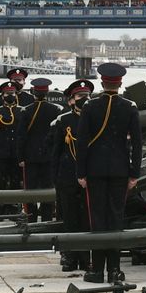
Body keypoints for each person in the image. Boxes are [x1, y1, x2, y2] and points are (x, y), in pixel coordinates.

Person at [75, 62, 140, 283]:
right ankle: (114, 269)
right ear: (120, 83)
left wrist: (81, 172)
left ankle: (96, 270)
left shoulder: (89, 107)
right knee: (115, 219)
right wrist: (134, 174)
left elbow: (82, 142)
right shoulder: (129, 107)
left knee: (98, 221)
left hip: (95, 170)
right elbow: (137, 145)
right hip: (121, 171)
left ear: (102, 83)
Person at [50, 79, 94, 272]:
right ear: (71, 100)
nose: (84, 99)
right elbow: (56, 152)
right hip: (67, 176)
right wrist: (57, 178)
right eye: (80, 96)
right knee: (69, 219)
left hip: (88, 177)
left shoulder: (95, 118)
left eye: (87, 96)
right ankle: (69, 256)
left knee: (86, 219)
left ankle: (85, 257)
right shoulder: (64, 121)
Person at [19, 79, 62, 221]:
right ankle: (47, 218)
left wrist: (21, 158)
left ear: (33, 92)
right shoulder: (56, 110)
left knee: (30, 190)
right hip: (49, 156)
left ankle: (31, 219)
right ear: (47, 92)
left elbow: (22, 136)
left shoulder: (26, 110)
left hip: (30, 156)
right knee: (47, 190)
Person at [0, 81, 25, 215]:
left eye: (12, 93)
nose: (10, 96)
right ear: (2, 96)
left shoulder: (21, 111)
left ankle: (13, 207)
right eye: (8, 94)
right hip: (1, 152)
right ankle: (1, 207)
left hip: (16, 153)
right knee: (1, 180)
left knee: (15, 180)